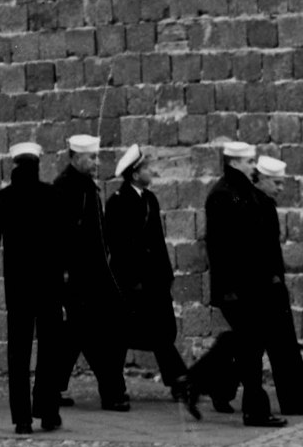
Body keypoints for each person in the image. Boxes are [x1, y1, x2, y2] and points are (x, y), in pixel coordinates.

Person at [185, 141, 283, 428]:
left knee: (241, 342)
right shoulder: (222, 195)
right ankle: (255, 411)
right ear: (235, 163)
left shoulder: (243, 191)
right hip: (236, 290)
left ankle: (193, 382)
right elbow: (219, 247)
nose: (254, 166)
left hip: (250, 286)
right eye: (250, 162)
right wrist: (228, 290)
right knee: (250, 348)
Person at [0, 142, 65, 434]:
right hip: (49, 284)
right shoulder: (52, 196)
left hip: (18, 286)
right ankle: (48, 411)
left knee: (18, 352)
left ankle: (22, 419)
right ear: (37, 165)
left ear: (14, 165)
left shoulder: (1, 199)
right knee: (50, 349)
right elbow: (65, 243)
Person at [102, 145, 193, 412]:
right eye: (146, 168)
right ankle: (116, 390)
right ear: (134, 173)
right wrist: (132, 281)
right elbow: (118, 246)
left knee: (159, 332)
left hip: (153, 282)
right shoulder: (118, 202)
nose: (151, 171)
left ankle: (178, 381)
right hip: (130, 283)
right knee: (120, 338)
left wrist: (166, 275)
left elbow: (157, 242)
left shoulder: (150, 199)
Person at [49, 134, 128, 412]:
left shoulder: (84, 186)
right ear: (74, 157)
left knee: (75, 334)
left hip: (94, 273)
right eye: (91, 157)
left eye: (96, 156)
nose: (96, 162)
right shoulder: (66, 188)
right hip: (79, 276)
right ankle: (112, 391)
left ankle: (51, 388)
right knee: (94, 335)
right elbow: (61, 236)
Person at [253, 156, 303, 416]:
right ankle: (296, 401)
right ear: (263, 180)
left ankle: (296, 401)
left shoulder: (262, 203)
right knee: (280, 346)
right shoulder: (258, 205)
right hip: (266, 286)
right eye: (276, 183)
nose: (280, 188)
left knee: (266, 344)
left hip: (270, 284)